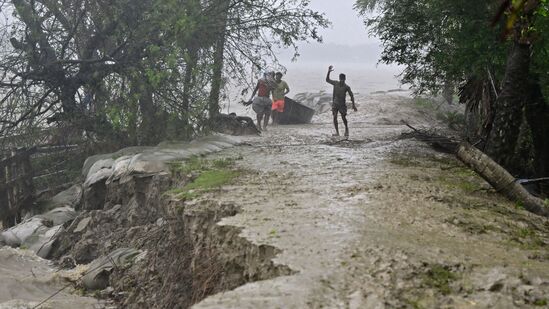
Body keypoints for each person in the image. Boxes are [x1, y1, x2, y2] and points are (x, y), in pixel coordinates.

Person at [325, 65, 357, 137]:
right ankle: (337, 132)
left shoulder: (346, 87)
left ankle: (346, 129)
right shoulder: (336, 83)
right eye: (341, 79)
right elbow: (327, 80)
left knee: (343, 117)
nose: (342, 80)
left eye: (343, 79)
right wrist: (328, 72)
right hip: (335, 103)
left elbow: (351, 95)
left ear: (345, 79)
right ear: (339, 79)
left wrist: (353, 105)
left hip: (342, 104)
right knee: (335, 116)